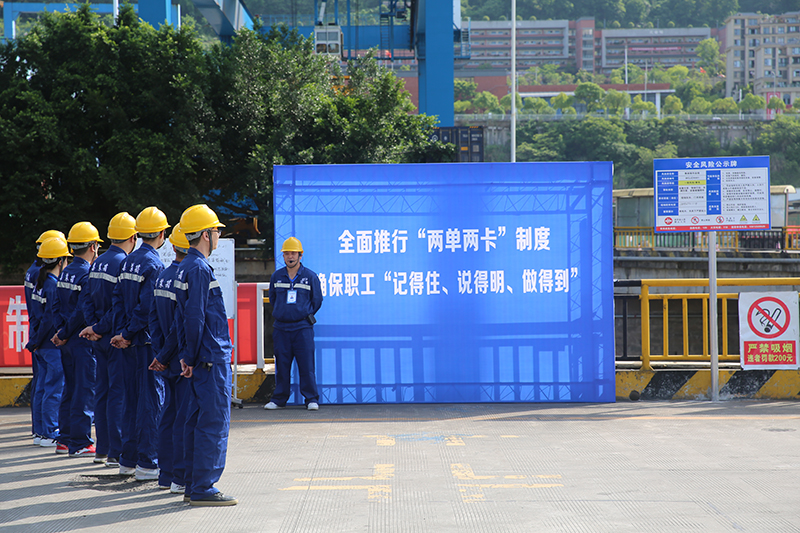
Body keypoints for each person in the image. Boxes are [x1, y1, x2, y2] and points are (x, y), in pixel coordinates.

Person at [174, 204, 237, 506]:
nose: (219, 236)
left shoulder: (186, 266)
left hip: (200, 358)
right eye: (216, 231)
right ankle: (203, 487)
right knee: (213, 423)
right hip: (210, 358)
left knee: (195, 422)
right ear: (205, 234)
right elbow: (195, 316)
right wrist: (190, 355)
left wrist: (186, 355)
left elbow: (181, 317)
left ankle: (192, 483)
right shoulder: (199, 268)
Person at [110, 207, 169, 480]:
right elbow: (147, 308)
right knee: (150, 402)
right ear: (162, 234)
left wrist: (122, 334)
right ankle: (148, 462)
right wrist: (129, 333)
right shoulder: (154, 265)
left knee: (130, 401)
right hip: (145, 343)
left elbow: (117, 300)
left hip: (128, 343)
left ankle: (128, 460)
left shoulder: (127, 262)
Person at [78, 212, 137, 468]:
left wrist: (93, 326)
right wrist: (101, 327)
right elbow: (119, 306)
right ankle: (116, 451)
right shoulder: (124, 263)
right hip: (114, 338)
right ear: (133, 237)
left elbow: (86, 299)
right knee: (118, 394)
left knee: (101, 392)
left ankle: (101, 449)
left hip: (99, 338)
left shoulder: (98, 261)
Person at [51, 222, 101, 457]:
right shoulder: (86, 274)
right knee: (84, 389)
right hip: (80, 339)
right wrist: (65, 333)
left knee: (70, 388)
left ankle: (65, 439)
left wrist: (61, 332)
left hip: (67, 340)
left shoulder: (66, 271)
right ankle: (80, 441)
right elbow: (82, 311)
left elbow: (56, 305)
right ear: (93, 246)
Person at [148, 224, 190, 495]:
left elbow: (153, 318)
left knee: (168, 414)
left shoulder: (163, 275)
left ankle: (165, 474)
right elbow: (180, 324)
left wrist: (159, 353)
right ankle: (179, 476)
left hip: (165, 358)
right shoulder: (186, 277)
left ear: (173, 245)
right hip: (180, 359)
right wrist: (166, 355)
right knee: (182, 418)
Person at [264, 237, 323, 411]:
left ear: (300, 255)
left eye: (293, 253)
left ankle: (311, 398)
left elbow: (317, 300)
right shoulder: (277, 276)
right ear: (283, 256)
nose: (290, 256)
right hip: (281, 328)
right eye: (287, 253)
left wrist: (302, 313)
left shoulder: (310, 277)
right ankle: (279, 399)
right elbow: (273, 298)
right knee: (282, 365)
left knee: (306, 365)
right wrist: (284, 312)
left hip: (302, 328)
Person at [25, 237, 69, 448]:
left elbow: (37, 318)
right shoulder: (52, 286)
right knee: (54, 388)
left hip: (41, 345)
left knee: (42, 387)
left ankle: (41, 432)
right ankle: (50, 431)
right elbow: (49, 319)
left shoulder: (40, 283)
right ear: (60, 261)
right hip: (51, 345)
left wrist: (35, 341)